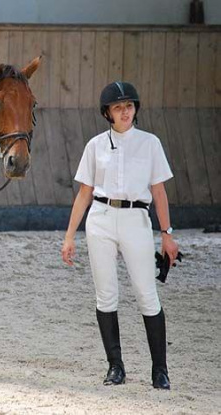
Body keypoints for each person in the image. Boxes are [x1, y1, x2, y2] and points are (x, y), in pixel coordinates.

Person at [61, 81, 179, 390]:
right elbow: (84, 193)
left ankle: (160, 370)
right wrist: (69, 236)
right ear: (108, 113)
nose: (124, 112)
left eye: (128, 106)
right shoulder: (95, 145)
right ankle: (115, 366)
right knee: (106, 294)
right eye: (118, 107)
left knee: (146, 294)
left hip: (136, 219)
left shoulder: (150, 143)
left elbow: (159, 192)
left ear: (135, 109)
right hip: (100, 218)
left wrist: (167, 233)